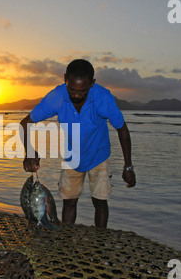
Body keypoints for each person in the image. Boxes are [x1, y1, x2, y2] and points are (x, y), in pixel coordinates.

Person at [20, 59, 136, 228]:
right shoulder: (57, 97)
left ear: (92, 83)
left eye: (82, 91)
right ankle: (66, 241)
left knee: (100, 202)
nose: (75, 95)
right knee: (69, 202)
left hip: (99, 156)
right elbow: (25, 123)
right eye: (71, 89)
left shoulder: (103, 98)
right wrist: (29, 151)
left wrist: (128, 167)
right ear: (65, 79)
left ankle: (99, 243)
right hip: (71, 156)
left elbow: (122, 129)